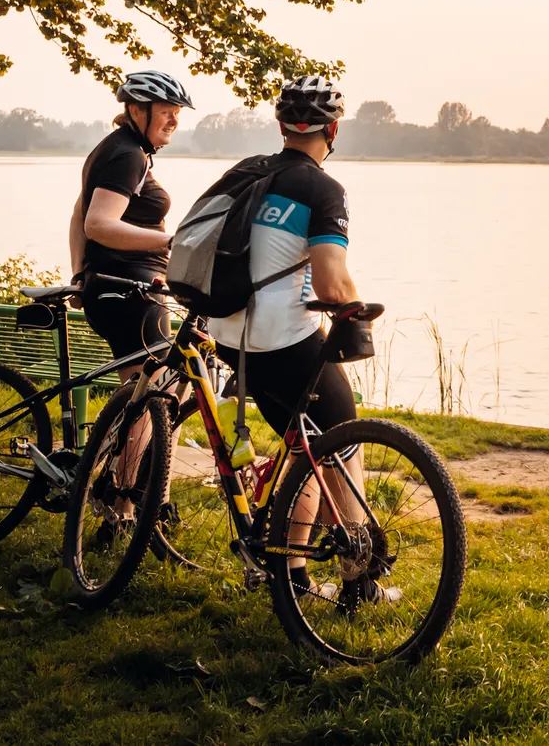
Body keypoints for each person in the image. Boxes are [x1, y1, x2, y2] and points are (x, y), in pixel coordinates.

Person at [197, 75, 386, 604]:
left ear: (281, 127)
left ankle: (293, 576)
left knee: (304, 448)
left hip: (229, 336)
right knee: (343, 443)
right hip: (281, 341)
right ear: (333, 131)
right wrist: (357, 313)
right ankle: (359, 581)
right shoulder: (324, 190)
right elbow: (332, 283)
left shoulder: (245, 173)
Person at [69, 70, 193, 365]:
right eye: (166, 112)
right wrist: (171, 241)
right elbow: (97, 224)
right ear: (136, 110)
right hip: (129, 290)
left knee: (150, 385)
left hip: (118, 285)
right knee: (153, 388)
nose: (174, 121)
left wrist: (79, 274)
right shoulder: (128, 156)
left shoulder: (120, 147)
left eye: (177, 113)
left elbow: (79, 214)